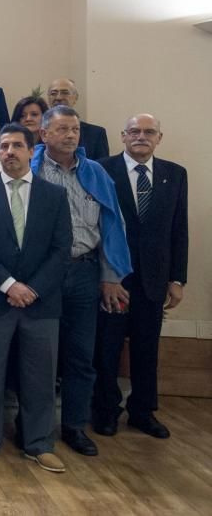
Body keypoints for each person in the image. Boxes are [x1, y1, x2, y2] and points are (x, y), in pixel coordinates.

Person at [0, 124, 73, 473]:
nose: (9, 152)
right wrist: (9, 284)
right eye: (4, 146)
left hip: (40, 302)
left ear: (31, 151)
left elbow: (61, 250)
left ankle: (39, 443)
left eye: (17, 146)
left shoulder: (54, 196)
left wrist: (32, 288)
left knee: (40, 376)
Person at [31, 105, 132, 457]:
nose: (71, 135)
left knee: (80, 355)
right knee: (41, 356)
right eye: (62, 129)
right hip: (42, 274)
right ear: (44, 134)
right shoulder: (31, 170)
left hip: (86, 272)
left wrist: (110, 276)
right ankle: (37, 427)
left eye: (75, 129)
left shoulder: (96, 174)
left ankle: (74, 425)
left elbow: (111, 227)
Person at [94, 114, 188, 439]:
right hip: (114, 278)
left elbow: (179, 229)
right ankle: (106, 411)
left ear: (159, 138)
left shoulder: (175, 175)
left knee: (147, 348)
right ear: (123, 135)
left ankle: (143, 411)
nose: (141, 136)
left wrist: (177, 279)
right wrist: (106, 275)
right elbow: (97, 226)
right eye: (134, 131)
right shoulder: (103, 170)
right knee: (106, 348)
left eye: (149, 132)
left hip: (154, 279)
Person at [47, 78, 109, 160]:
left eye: (65, 93)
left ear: (75, 98)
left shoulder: (96, 134)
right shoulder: (41, 131)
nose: (58, 97)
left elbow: (101, 168)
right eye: (53, 93)